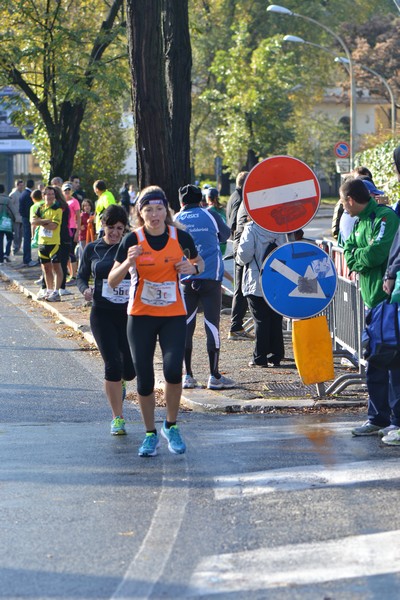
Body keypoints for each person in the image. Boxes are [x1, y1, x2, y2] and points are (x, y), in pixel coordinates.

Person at [108, 185, 202, 457]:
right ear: (140, 212)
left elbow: (201, 262)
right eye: (148, 209)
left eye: (159, 208)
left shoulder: (179, 236)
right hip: (140, 317)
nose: (155, 214)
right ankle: (150, 434)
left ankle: (170, 426)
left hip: (173, 314)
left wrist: (192, 267)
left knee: (174, 371)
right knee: (145, 381)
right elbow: (113, 280)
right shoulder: (132, 240)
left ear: (166, 210)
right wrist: (127, 263)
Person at [340, 177, 400, 437]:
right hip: (370, 301)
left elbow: (377, 254)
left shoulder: (385, 217)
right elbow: (347, 250)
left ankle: (396, 421)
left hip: (389, 302)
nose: (343, 207)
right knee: (373, 360)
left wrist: (357, 258)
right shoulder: (358, 222)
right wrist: (358, 257)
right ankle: (377, 418)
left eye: (343, 202)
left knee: (394, 362)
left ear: (351, 200)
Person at [77, 205, 135, 435]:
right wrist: (84, 291)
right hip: (101, 313)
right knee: (112, 364)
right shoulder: (92, 248)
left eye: (119, 228)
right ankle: (117, 418)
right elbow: (81, 276)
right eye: (111, 227)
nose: (114, 232)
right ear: (103, 225)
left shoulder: (130, 248)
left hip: (128, 314)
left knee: (129, 371)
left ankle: (122, 381)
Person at [174, 184, 235, 391]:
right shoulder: (210, 215)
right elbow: (226, 235)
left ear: (181, 202)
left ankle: (188, 376)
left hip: (186, 277)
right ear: (200, 199)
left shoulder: (176, 219)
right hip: (210, 276)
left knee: (186, 326)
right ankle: (214, 376)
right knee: (212, 325)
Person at [237, 220, 287, 368]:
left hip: (256, 279)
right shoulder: (280, 226)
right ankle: (276, 355)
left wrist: (239, 259)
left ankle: (260, 357)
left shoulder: (252, 228)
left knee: (260, 320)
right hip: (278, 279)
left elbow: (244, 255)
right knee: (275, 318)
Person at [226, 171, 251, 340]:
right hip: (241, 244)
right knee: (241, 289)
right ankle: (235, 326)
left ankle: (237, 325)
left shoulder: (234, 196)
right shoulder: (240, 198)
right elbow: (235, 222)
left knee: (241, 288)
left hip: (239, 244)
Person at [31, 186, 64, 302]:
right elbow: (33, 221)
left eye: (52, 194)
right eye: (48, 194)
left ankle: (56, 291)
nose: (50, 196)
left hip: (54, 242)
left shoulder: (57, 209)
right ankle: (49, 290)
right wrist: (46, 221)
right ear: (43, 196)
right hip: (42, 242)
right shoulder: (40, 208)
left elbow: (54, 226)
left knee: (56, 267)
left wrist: (41, 222)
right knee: (45, 268)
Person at [62, 181, 81, 282]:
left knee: (71, 251)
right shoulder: (62, 202)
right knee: (65, 252)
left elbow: (78, 217)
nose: (67, 192)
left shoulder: (74, 202)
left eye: (69, 190)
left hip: (72, 228)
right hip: (64, 228)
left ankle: (74, 275)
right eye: (65, 190)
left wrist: (78, 231)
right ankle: (69, 273)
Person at [19, 179, 38, 267]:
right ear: (33, 185)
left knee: (27, 239)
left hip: (24, 218)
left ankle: (26, 258)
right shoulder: (28, 195)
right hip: (28, 219)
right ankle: (27, 259)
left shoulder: (23, 193)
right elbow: (28, 209)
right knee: (27, 239)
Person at [0, 185, 15, 265]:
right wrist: (14, 219)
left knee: (0, 240)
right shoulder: (7, 200)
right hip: (6, 223)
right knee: (10, 237)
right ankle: (7, 253)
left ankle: (0, 258)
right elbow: (12, 211)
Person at [8, 179, 24, 256]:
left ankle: (18, 248)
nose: (21, 187)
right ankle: (14, 249)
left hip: (21, 217)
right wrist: (12, 215)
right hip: (15, 217)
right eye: (20, 185)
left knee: (20, 234)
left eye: (22, 185)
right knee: (16, 234)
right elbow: (9, 206)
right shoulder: (13, 194)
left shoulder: (22, 193)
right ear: (16, 185)